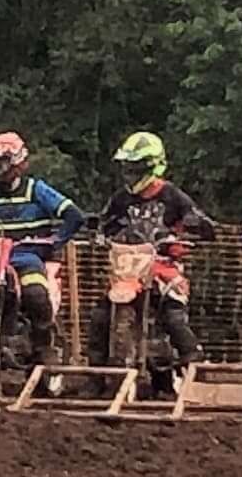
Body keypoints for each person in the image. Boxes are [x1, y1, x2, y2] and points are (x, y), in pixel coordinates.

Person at [88, 132, 212, 379]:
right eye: (128, 169)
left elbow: (202, 223)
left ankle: (193, 361)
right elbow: (106, 222)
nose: (131, 175)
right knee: (100, 314)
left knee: (173, 314)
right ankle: (96, 374)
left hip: (163, 264)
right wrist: (99, 232)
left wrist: (191, 230)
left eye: (136, 169)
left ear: (153, 165)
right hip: (128, 266)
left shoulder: (173, 196)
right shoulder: (121, 198)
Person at [0, 131, 82, 349]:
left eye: (0, 164)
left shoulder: (36, 189)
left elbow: (73, 215)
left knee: (34, 293)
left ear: (16, 163)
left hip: (27, 257)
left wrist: (56, 240)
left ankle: (44, 349)